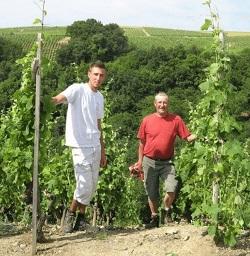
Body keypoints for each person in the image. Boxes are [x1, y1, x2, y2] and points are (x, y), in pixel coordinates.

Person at [52, 61, 107, 233]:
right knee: (83, 185)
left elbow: (99, 125)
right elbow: (58, 99)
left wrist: (103, 150)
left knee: (92, 185)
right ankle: (70, 213)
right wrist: (43, 101)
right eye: (95, 74)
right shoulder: (77, 89)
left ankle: (81, 220)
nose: (98, 78)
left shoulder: (99, 97)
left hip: (95, 145)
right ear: (88, 74)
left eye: (101, 75)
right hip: (80, 145)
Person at [136, 92, 196, 228]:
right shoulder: (147, 120)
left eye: (165, 102)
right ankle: (154, 217)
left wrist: (201, 133)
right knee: (151, 191)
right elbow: (141, 143)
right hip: (149, 161)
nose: (162, 105)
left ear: (168, 104)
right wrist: (139, 162)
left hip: (167, 162)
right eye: (160, 102)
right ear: (155, 104)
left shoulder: (176, 120)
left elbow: (187, 137)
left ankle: (167, 210)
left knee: (172, 187)